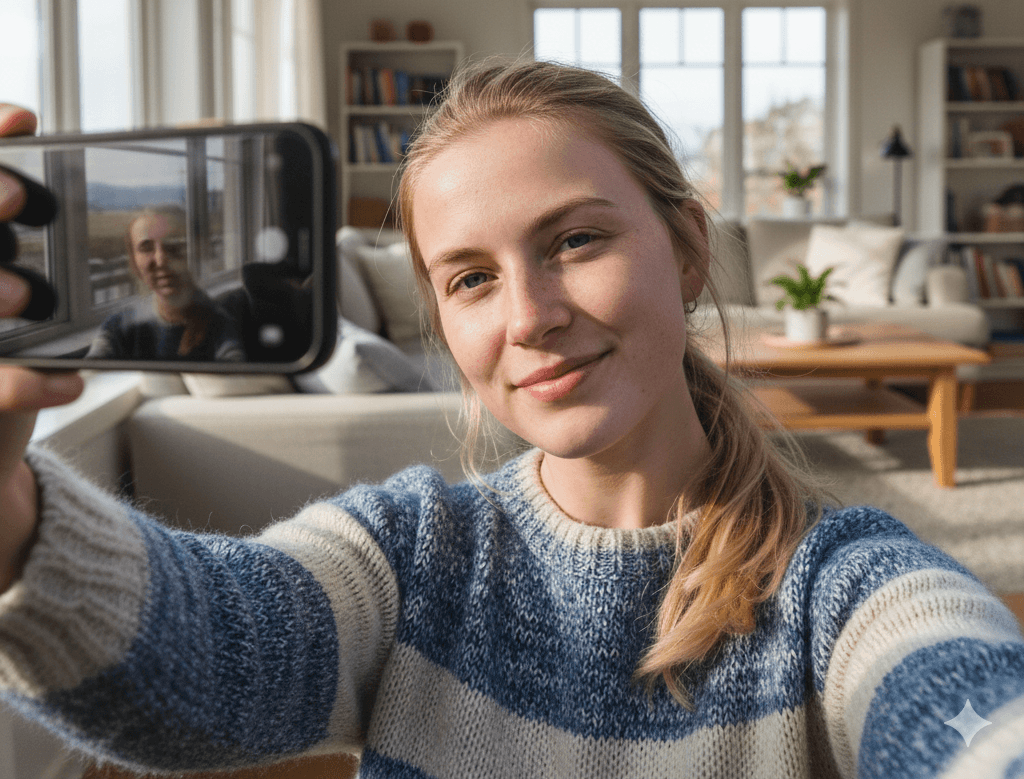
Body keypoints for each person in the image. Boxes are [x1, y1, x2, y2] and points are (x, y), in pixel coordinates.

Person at [0, 63, 1022, 778]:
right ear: (442, 317)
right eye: (473, 277)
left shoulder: (847, 588)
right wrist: (14, 524)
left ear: (688, 251)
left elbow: (967, 714)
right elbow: (208, 652)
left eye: (575, 239)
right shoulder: (408, 554)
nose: (529, 317)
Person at [85, 205, 246, 362]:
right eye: (146, 247)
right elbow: (90, 374)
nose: (161, 260)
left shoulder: (220, 326)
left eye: (173, 245)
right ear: (134, 263)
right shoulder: (117, 328)